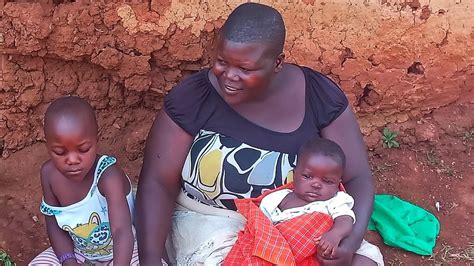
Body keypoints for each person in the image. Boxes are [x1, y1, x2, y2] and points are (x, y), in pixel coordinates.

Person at [136, 2, 383, 265]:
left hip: (299, 221)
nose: (229, 76)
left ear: (277, 63)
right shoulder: (194, 98)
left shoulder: (318, 96)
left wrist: (349, 242)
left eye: (245, 69)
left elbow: (357, 177)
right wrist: (150, 259)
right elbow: (157, 183)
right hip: (213, 223)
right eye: (221, 62)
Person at [30, 96, 137, 265]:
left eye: (84, 149)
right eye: (59, 152)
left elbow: (121, 231)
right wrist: (68, 260)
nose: (72, 160)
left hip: (125, 250)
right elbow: (54, 225)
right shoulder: (49, 175)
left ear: (97, 139)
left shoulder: (108, 175)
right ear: (48, 146)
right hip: (78, 251)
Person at [259, 137, 355, 259]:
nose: (316, 184)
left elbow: (345, 220)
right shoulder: (277, 198)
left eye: (327, 181)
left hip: (317, 253)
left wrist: (334, 235)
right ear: (294, 175)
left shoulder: (336, 200)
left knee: (368, 255)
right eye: (307, 176)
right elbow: (261, 224)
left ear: (337, 184)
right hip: (280, 251)